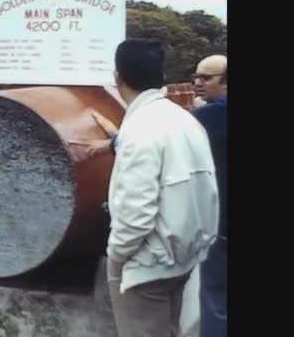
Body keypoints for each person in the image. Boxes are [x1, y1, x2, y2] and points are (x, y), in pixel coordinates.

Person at [70, 39, 219, 337]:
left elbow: (135, 212)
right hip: (183, 254)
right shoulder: (183, 119)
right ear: (160, 77)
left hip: (147, 264)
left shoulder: (141, 129)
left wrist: (116, 256)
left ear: (117, 78)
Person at [192, 54, 227, 337]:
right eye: (197, 76)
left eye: (207, 78)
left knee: (215, 300)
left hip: (223, 226)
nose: (198, 83)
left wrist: (114, 140)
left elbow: (165, 135)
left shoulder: (213, 115)